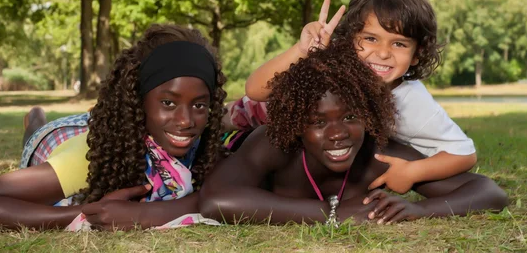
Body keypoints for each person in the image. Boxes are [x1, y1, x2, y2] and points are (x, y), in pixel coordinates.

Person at [200, 39, 507, 225]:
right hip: (233, 140)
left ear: (369, 113)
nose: (337, 134)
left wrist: (420, 209)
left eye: (350, 117)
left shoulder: (378, 153)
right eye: (318, 122)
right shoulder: (274, 143)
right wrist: (329, 213)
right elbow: (215, 201)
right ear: (297, 125)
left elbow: (488, 192)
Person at [0, 24, 227, 230]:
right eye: (168, 102)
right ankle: (35, 120)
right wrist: (85, 214)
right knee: (36, 136)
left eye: (199, 106)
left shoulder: (200, 144)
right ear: (137, 101)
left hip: (102, 125)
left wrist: (140, 214)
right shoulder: (86, 158)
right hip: (60, 139)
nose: (185, 121)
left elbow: (218, 194)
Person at [234, 0, 477, 193]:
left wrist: (413, 172)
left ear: (417, 54)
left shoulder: (412, 103)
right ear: (351, 38)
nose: (383, 53)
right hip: (243, 118)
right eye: (371, 39)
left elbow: (464, 154)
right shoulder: (333, 65)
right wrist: (302, 50)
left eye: (399, 44)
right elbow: (255, 91)